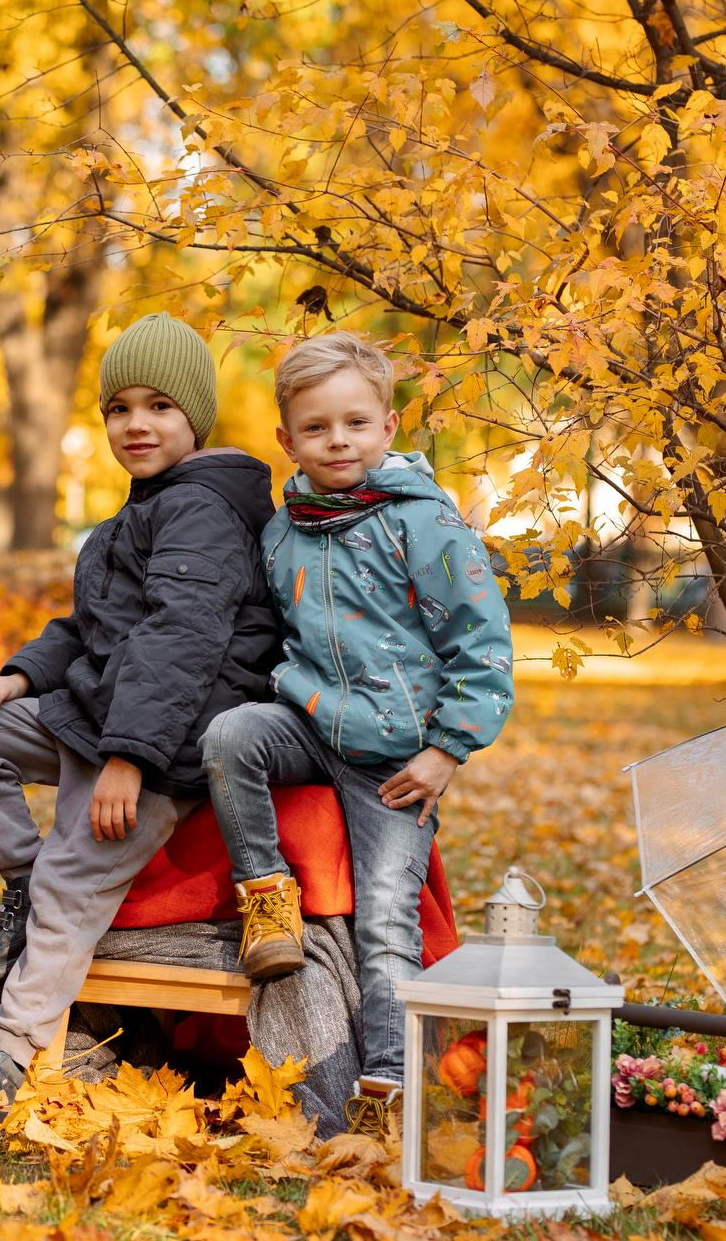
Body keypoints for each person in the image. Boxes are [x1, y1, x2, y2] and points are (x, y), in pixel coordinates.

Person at [0, 313, 282, 1126]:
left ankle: (2, 1059)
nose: (136, 423)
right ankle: (25, 888)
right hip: (104, 716)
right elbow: (88, 628)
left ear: (195, 418)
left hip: (169, 743)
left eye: (159, 406)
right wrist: (19, 674)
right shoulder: (135, 515)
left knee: (77, 871)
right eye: (119, 408)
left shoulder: (203, 512)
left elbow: (178, 642)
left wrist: (130, 761)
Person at [203, 330, 514, 1112]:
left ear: (387, 426)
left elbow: (482, 644)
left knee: (383, 914)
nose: (336, 440)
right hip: (312, 722)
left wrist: (447, 750)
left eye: (354, 423)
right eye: (316, 427)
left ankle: (389, 1082)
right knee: (230, 736)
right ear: (287, 440)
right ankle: (266, 898)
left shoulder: (425, 524)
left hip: (397, 758)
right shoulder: (283, 534)